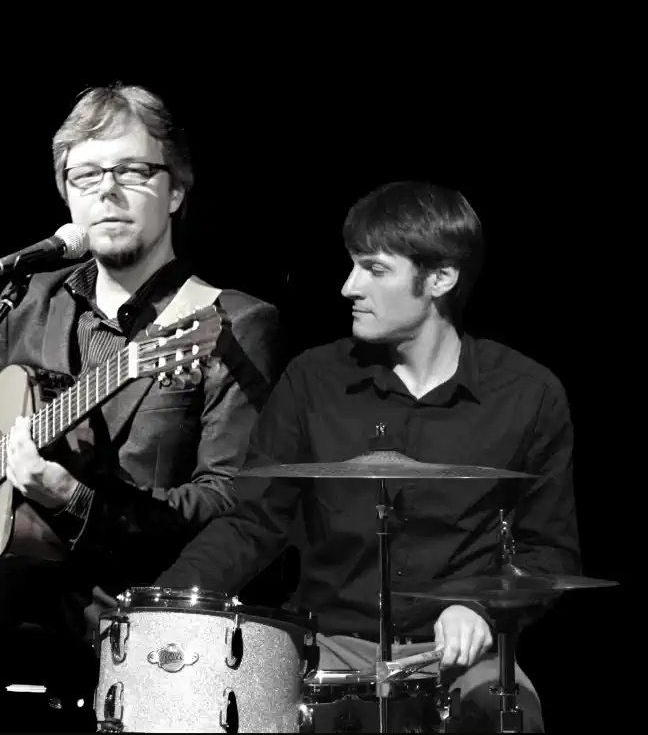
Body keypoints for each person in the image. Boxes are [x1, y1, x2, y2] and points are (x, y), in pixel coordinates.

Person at [0, 83, 284, 731]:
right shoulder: (27, 301)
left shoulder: (231, 323)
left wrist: (73, 499)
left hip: (147, 646)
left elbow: (232, 505)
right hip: (1, 630)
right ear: (66, 194)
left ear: (176, 189)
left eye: (132, 170)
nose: (106, 190)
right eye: (86, 174)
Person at [154, 181, 580, 732]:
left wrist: (480, 608)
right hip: (328, 646)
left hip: (459, 659)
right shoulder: (313, 380)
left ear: (441, 279)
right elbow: (254, 522)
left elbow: (549, 553)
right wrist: (166, 604)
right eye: (352, 265)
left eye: (374, 270)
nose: (347, 287)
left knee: (505, 716)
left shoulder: (528, 393)